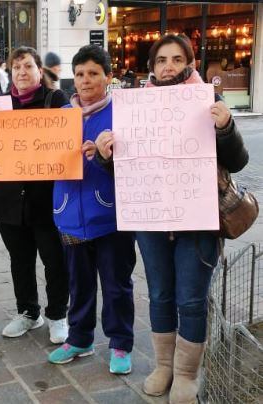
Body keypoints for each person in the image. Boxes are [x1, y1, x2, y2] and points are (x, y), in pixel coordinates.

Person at [95, 34, 249, 403]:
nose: (169, 67)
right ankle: (164, 366)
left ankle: (185, 374)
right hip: (151, 221)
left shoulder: (208, 100)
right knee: (161, 294)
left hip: (198, 220)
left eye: (177, 60)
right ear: (152, 67)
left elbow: (239, 161)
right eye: (161, 60)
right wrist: (105, 154)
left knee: (191, 299)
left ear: (190, 64)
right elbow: (126, 170)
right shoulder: (134, 108)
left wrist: (226, 127)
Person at [48, 45, 136, 374]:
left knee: (116, 283)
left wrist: (105, 154)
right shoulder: (59, 119)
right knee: (78, 281)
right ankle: (80, 337)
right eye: (80, 74)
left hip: (112, 217)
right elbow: (33, 157)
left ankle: (120, 343)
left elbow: (135, 164)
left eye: (93, 74)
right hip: (69, 215)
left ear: (108, 77)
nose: (85, 81)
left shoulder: (122, 115)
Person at [0, 46, 70, 344]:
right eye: (17, 67)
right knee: (19, 260)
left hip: (45, 199)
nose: (22, 72)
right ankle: (28, 312)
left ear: (40, 71)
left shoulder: (56, 100)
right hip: (9, 199)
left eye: (28, 66)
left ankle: (58, 315)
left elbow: (69, 142)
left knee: (54, 260)